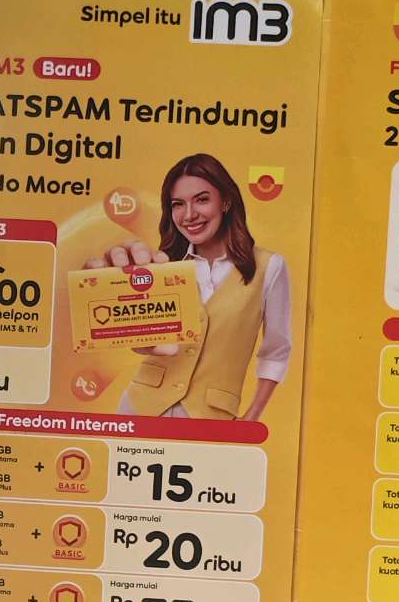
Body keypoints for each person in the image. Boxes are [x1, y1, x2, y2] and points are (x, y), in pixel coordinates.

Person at [85, 153, 292, 421]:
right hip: (140, 407)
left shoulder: (268, 267)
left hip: (212, 416)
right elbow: (141, 340)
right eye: (178, 204)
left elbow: (276, 350)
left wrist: (252, 416)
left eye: (202, 200)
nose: (189, 215)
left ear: (226, 201)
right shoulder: (163, 265)